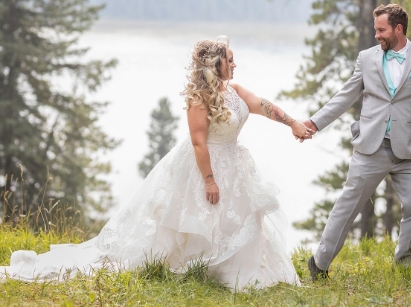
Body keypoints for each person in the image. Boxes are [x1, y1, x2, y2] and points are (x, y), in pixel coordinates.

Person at [1, 39, 313, 290]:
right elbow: (199, 143)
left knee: (241, 219)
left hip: (236, 164)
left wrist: (293, 123)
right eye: (229, 59)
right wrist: (209, 180)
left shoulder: (234, 91)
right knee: (202, 218)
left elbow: (262, 105)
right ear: (215, 64)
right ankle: (201, 267)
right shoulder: (199, 98)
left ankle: (238, 270)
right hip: (205, 166)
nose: (234, 64)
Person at [303, 4, 411, 280]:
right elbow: (345, 95)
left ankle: (403, 262)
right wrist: (314, 122)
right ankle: (319, 263)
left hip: (408, 151)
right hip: (370, 148)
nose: (376, 35)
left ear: (398, 29)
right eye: (375, 30)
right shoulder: (366, 58)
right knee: (347, 207)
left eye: (381, 30)